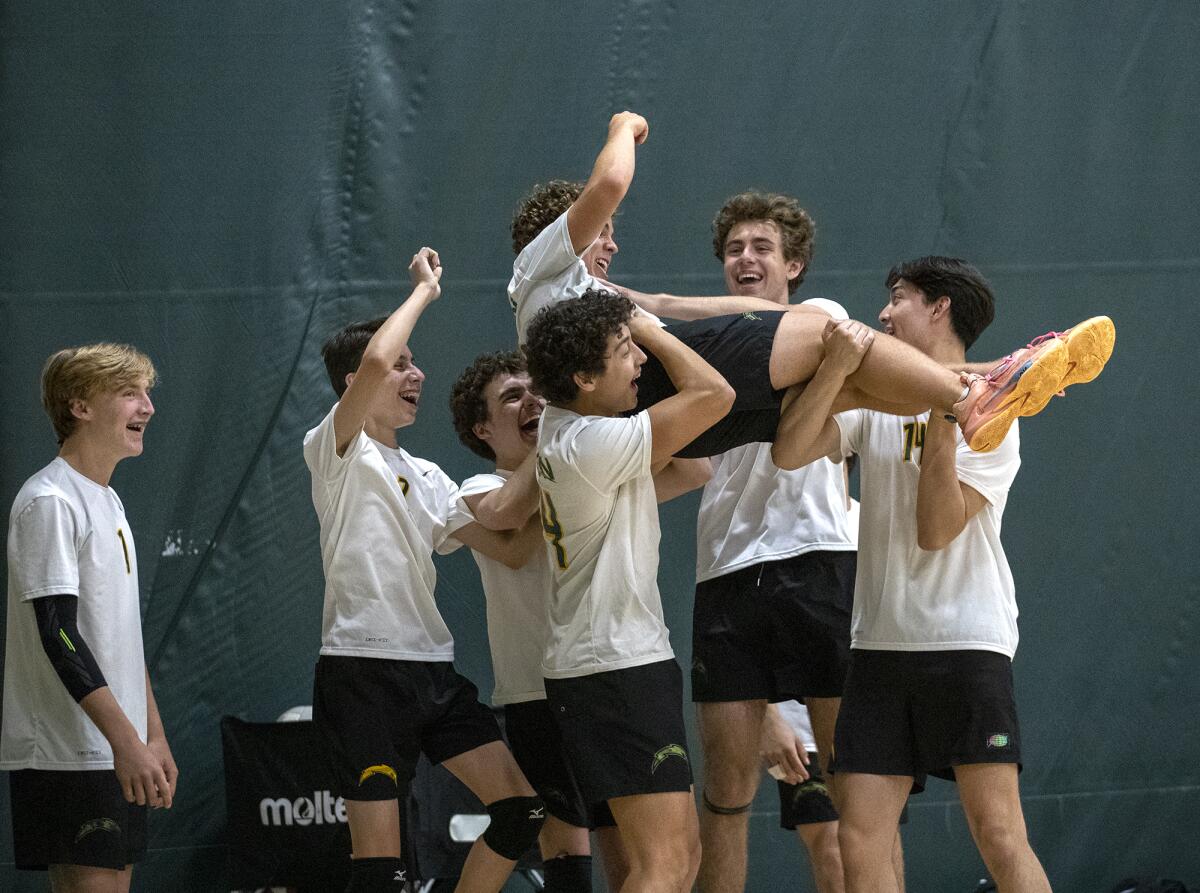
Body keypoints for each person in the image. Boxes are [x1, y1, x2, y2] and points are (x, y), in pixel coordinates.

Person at [508, 112, 1109, 459]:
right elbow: (611, 180)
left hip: (674, 419)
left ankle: (992, 374)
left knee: (852, 385)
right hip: (660, 387)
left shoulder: (588, 297)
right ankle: (972, 399)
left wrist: (754, 312)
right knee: (829, 334)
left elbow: (673, 305)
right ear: (562, 229)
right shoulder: (541, 265)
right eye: (600, 233)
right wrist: (624, 124)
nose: (610, 243)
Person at [777, 256, 1081, 892]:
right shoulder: (878, 400)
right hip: (879, 649)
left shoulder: (998, 420)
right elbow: (790, 451)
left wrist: (948, 416)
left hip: (966, 642)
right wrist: (836, 369)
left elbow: (936, 530)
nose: (884, 313)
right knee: (858, 837)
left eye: (898, 298)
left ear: (939, 306)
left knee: (998, 833)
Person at [303, 248, 545, 892]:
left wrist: (565, 457)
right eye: (404, 365)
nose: (415, 373)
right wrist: (423, 293)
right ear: (356, 382)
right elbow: (379, 356)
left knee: (522, 811)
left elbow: (512, 542)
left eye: (414, 364)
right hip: (362, 673)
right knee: (379, 871)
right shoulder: (336, 449)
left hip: (432, 675)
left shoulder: (431, 477)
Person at [524, 288, 732, 892]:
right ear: (585, 377)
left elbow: (695, 468)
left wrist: (634, 353)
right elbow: (716, 396)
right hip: (614, 668)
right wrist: (651, 326)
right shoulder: (591, 445)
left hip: (612, 665)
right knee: (666, 864)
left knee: (670, 859)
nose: (639, 358)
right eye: (624, 352)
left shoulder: (581, 431)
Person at [447, 351, 628, 892]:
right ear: (482, 428)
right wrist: (559, 443)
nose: (533, 401)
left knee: (627, 847)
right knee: (567, 848)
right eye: (511, 396)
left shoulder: (580, 471)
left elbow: (692, 470)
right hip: (535, 690)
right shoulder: (473, 491)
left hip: (604, 678)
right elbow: (521, 544)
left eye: (537, 391)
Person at [2, 343, 178, 892]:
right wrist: (127, 741)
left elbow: (118, 638)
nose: (147, 406)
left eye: (147, 393)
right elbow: (59, 634)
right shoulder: (50, 500)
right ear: (79, 406)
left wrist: (153, 735)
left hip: (114, 747)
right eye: (129, 393)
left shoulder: (109, 501)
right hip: (67, 754)